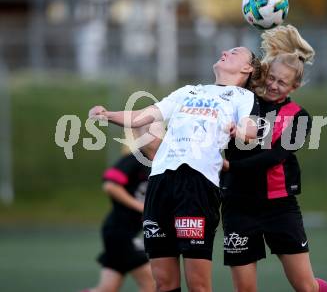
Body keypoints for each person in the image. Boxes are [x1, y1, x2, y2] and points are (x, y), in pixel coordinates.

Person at [88, 46, 261, 292]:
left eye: (235, 52)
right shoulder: (188, 91)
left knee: (198, 285)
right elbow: (143, 117)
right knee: (164, 284)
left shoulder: (243, 97)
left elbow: (251, 132)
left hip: (197, 185)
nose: (226, 51)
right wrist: (107, 114)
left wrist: (239, 131)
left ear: (248, 68)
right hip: (160, 183)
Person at [221, 25, 327, 292]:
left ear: (295, 86)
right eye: (271, 77)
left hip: (279, 207)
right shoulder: (244, 100)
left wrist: (230, 166)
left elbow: (274, 156)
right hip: (239, 205)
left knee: (306, 286)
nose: (273, 85)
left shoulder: (299, 116)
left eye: (282, 82)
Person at [82, 127, 161, 292]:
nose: (154, 137)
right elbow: (110, 185)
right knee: (151, 282)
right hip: (119, 233)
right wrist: (141, 206)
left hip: (122, 233)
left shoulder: (157, 162)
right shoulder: (134, 159)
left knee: (107, 289)